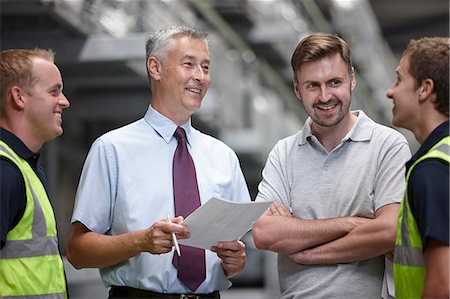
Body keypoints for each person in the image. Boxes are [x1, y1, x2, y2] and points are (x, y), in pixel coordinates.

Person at [67, 26, 251, 298]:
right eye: (188, 64)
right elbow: (77, 251)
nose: (200, 77)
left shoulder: (223, 156)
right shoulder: (112, 150)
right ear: (155, 67)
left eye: (206, 67)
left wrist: (235, 263)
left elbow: (235, 252)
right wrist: (140, 241)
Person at [252, 32, 412, 298]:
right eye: (312, 85)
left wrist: (306, 251)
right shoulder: (283, 153)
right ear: (297, 89)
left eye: (334, 82)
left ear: (351, 79)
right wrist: (352, 223)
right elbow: (265, 233)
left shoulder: (387, 145)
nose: (325, 96)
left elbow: (388, 230)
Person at [0, 49, 70, 298]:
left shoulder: (25, 167)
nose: (64, 101)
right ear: (18, 97)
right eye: (54, 91)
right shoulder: (5, 171)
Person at [386, 37, 449, 299]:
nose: (391, 91)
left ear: (425, 89)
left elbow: (443, 284)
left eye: (399, 80)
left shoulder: (433, 168)